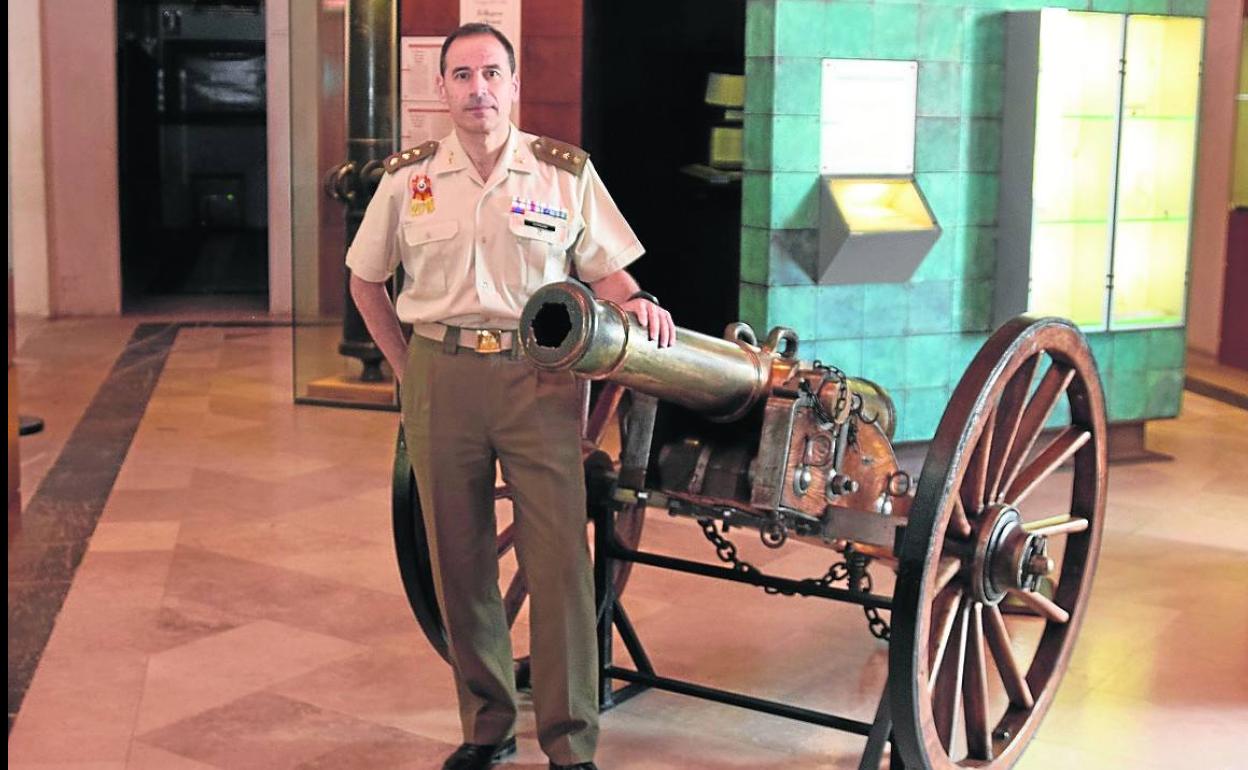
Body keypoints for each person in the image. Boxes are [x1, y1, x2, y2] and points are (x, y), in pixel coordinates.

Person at [346, 22, 674, 770]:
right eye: (461, 76)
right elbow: (366, 279)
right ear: (442, 90)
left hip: (539, 378)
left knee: (557, 562)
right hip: (441, 372)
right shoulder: (408, 178)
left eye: (492, 73)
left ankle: (570, 743)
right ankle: (486, 725)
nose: (478, 90)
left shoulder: (563, 173)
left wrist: (641, 302)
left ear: (515, 84)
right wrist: (406, 371)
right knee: (458, 559)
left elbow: (608, 274)